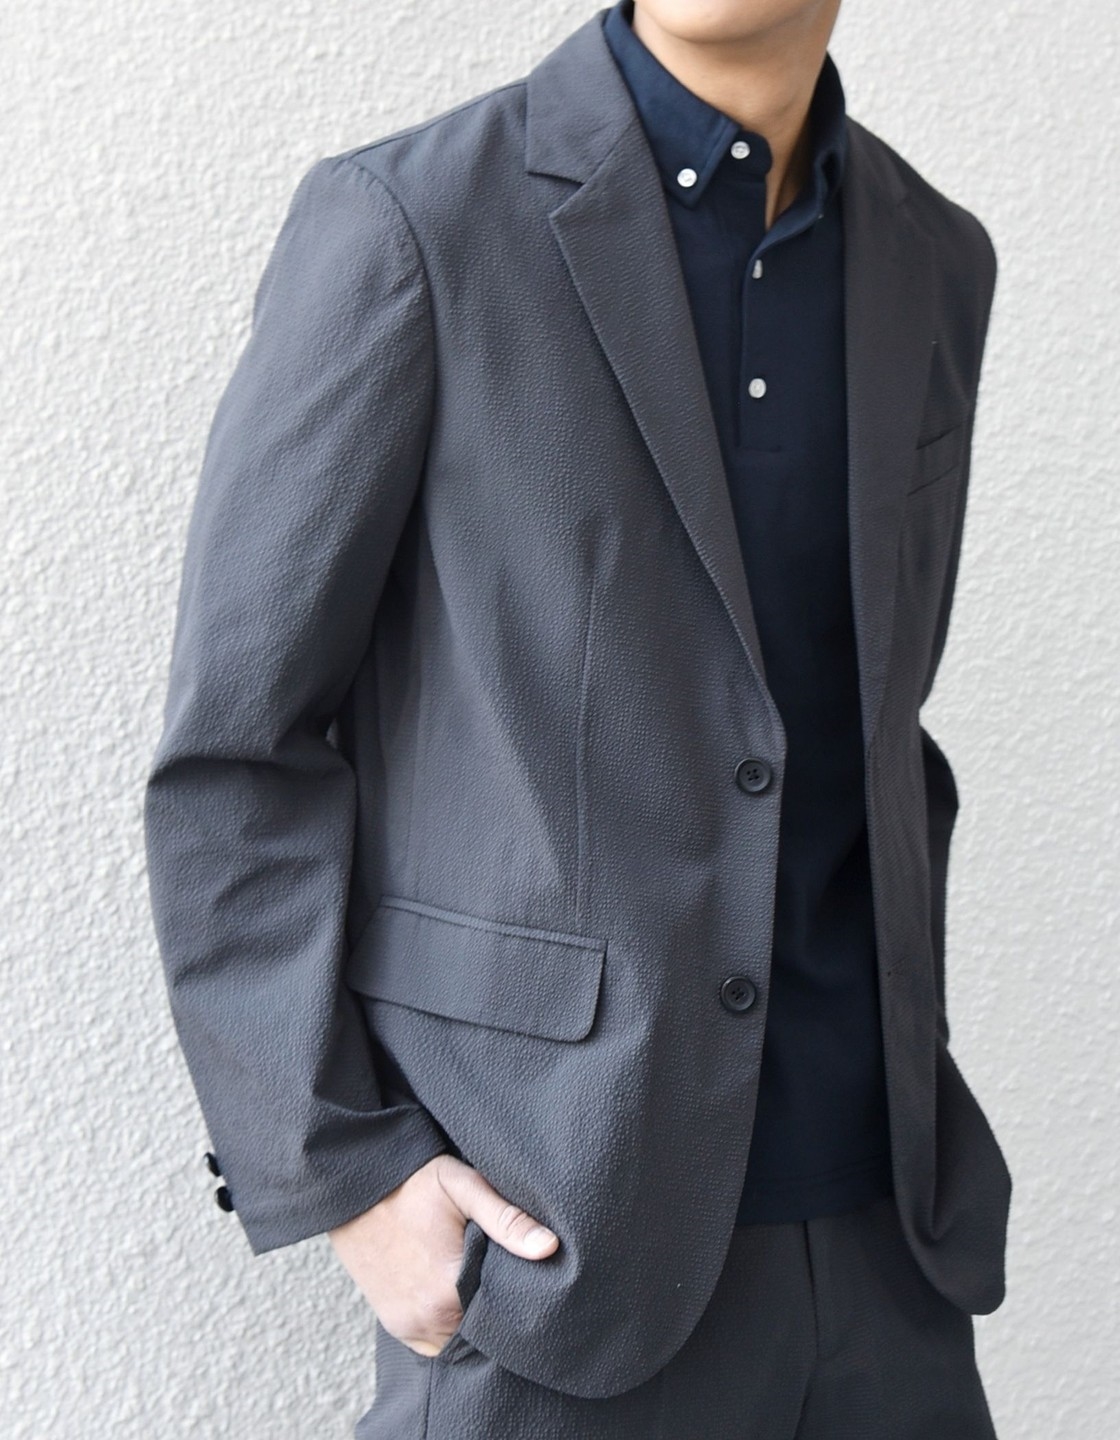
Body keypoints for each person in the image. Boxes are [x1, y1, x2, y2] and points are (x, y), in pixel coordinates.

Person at [143, 1, 1013, 1435]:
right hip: (556, 1248)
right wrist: (345, 1170)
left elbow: (879, 717)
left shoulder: (934, 257)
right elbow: (239, 750)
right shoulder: (412, 223)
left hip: (890, 1256)